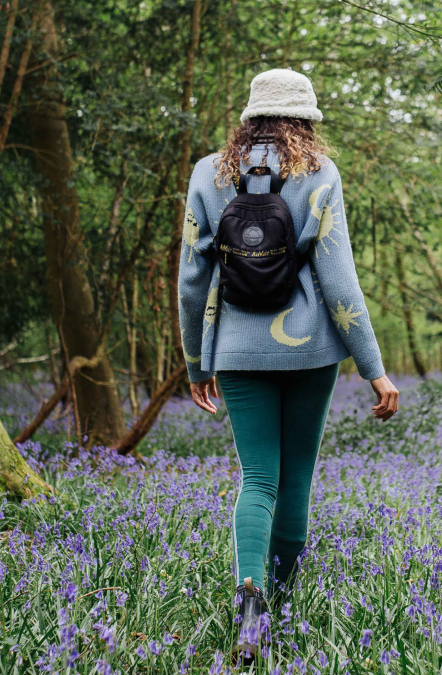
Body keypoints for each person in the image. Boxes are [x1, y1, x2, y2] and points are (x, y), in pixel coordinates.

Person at [178, 68, 399, 662]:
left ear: (248, 118)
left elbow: (192, 278)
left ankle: (249, 598)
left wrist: (196, 363)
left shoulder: (209, 173)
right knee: (297, 475)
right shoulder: (319, 174)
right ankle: (283, 603)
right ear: (305, 121)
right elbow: (339, 279)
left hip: (236, 352)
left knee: (258, 478)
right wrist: (372, 367)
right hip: (311, 353)